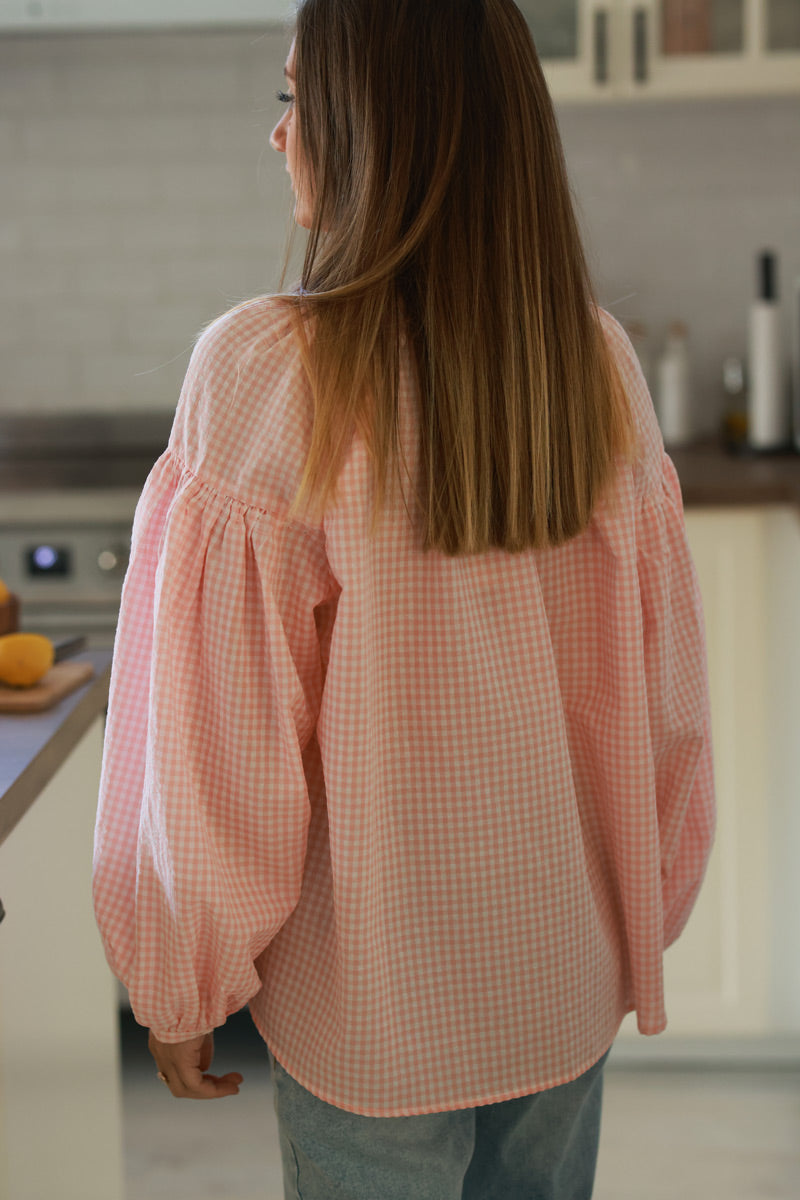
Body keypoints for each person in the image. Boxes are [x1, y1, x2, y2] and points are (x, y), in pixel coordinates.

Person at [92, 1, 716, 1196]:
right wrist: (648, 900)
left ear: (372, 128)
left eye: (294, 100)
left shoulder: (265, 373)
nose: (279, 137)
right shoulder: (591, 361)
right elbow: (661, 704)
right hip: (559, 979)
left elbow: (222, 754)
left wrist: (181, 970)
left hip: (375, 1019)